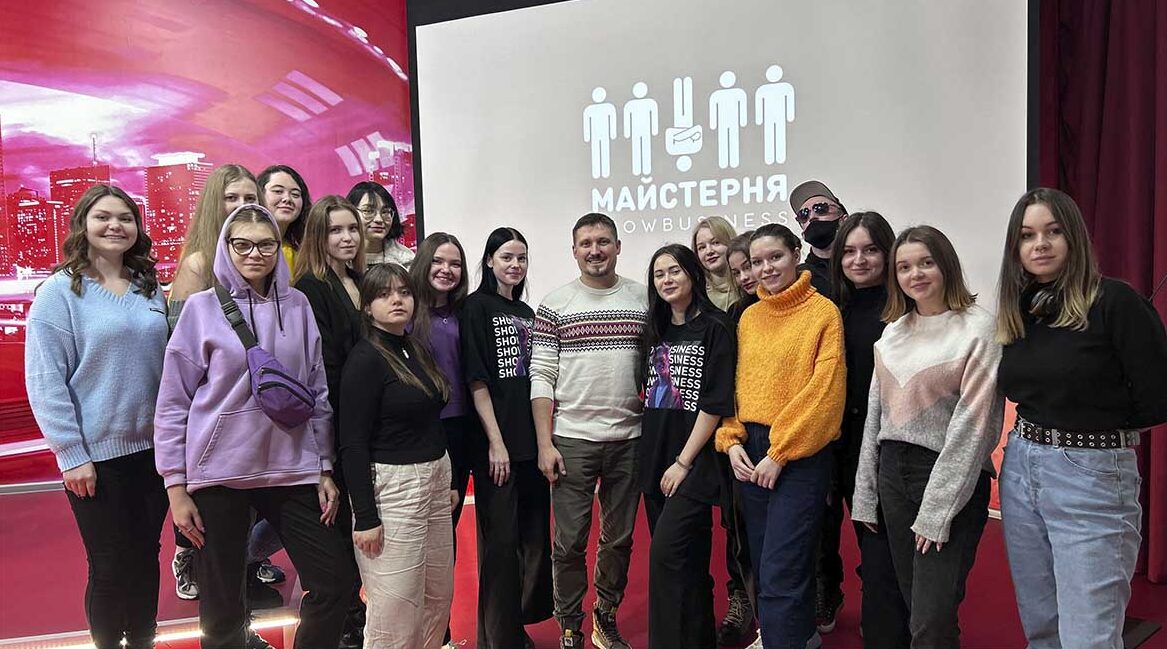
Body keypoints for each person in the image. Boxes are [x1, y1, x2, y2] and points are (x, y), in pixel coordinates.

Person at [154, 204, 355, 648]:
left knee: (334, 582)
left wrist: (324, 467)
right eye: (242, 244)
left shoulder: (298, 305)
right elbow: (172, 402)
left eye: (265, 245)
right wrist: (175, 486)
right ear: (226, 247)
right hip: (219, 474)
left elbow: (317, 390)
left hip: (292, 468)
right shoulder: (201, 309)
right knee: (222, 604)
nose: (254, 254)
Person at [995, 188, 1167, 649]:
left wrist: (1094, 425)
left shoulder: (1116, 301)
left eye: (1053, 231)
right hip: (1021, 467)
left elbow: (1157, 397)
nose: (1040, 244)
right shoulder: (1022, 310)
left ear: (1074, 236)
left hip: (1091, 475)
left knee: (1088, 636)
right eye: (1027, 235)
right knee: (1042, 628)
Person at [25, 185, 170, 649]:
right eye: (103, 217)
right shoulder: (59, 293)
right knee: (108, 565)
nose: (115, 226)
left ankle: (143, 641)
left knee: (145, 556)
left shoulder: (149, 287)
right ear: (82, 225)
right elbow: (45, 380)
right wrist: (71, 454)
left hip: (154, 452)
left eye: (125, 218)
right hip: (95, 457)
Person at [851, 225, 1004, 649]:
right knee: (912, 603)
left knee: (931, 620)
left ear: (946, 265)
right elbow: (876, 419)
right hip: (892, 476)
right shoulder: (893, 332)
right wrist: (865, 493)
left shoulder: (979, 328)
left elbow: (975, 427)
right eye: (904, 267)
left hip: (947, 475)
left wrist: (938, 510)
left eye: (926, 263)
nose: (915, 274)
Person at [716, 223, 845, 649]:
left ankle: (779, 640)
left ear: (796, 255)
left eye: (776, 257)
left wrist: (781, 452)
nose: (766, 268)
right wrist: (731, 439)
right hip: (751, 449)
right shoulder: (749, 317)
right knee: (765, 559)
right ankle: (798, 636)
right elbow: (736, 384)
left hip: (798, 453)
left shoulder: (823, 312)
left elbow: (825, 393)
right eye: (757, 262)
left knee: (781, 567)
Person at [531, 213, 648, 649]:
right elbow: (541, 375)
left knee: (619, 540)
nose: (595, 250)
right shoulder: (555, 304)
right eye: (586, 243)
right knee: (569, 544)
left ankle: (606, 616)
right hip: (572, 439)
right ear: (574, 250)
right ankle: (569, 626)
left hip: (629, 439)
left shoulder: (643, 299)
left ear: (618, 246)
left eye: (603, 242)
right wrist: (544, 443)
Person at [339, 263, 456, 649]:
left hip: (435, 478)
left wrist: (448, 482)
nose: (397, 300)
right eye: (384, 294)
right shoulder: (364, 359)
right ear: (367, 306)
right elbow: (352, 443)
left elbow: (431, 417)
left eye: (404, 292)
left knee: (437, 597)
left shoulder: (414, 348)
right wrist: (365, 516)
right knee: (395, 610)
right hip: (393, 488)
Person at [639, 245, 736, 649]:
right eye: (659, 274)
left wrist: (683, 462)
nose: (667, 280)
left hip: (693, 463)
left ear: (694, 274)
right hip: (655, 458)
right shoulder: (655, 329)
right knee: (690, 564)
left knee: (665, 557)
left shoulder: (715, 327)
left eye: (675, 270)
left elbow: (715, 403)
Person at [461, 227, 553, 649]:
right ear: (489, 261)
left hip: (531, 442)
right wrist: (495, 442)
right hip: (496, 446)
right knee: (499, 547)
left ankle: (509, 629)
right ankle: (500, 639)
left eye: (521, 258)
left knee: (532, 543)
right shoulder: (476, 307)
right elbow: (476, 379)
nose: (515, 265)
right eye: (506, 257)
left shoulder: (529, 312)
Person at [826, 212, 911, 647]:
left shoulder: (905, 311)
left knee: (886, 555)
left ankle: (893, 631)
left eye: (871, 250)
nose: (859, 260)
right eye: (850, 251)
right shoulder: (834, 310)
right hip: (843, 448)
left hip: (889, 449)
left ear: (888, 252)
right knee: (867, 545)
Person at [290, 194, 367, 648]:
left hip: (366, 421)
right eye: (336, 230)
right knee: (335, 525)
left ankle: (355, 614)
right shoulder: (310, 288)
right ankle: (345, 620)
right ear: (319, 236)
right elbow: (322, 366)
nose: (347, 237)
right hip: (334, 421)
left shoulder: (360, 279)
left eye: (352, 229)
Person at [408, 232, 475, 649]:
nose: (446, 270)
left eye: (455, 264)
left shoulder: (465, 313)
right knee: (415, 534)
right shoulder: (407, 311)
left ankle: (440, 634)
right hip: (418, 432)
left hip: (459, 431)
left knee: (444, 534)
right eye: (438, 261)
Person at [788, 179, 848, 632]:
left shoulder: (867, 264)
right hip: (820, 414)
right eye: (804, 215)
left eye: (821, 208)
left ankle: (886, 597)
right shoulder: (801, 281)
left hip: (869, 410)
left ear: (841, 210)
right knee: (821, 515)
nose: (814, 219)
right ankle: (828, 588)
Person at [789, 180, 846, 295]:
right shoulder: (798, 279)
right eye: (803, 214)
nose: (812, 217)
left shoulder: (864, 264)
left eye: (821, 208)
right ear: (802, 231)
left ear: (844, 219)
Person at [347, 181, 414, 267]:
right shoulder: (339, 260)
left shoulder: (406, 261)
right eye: (368, 211)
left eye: (385, 212)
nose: (379, 219)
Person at [258, 164, 312, 271]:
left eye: (295, 194)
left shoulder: (300, 254)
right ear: (259, 195)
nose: (287, 199)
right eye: (278, 191)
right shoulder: (245, 248)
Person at [691, 215, 739, 311]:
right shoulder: (695, 296)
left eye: (716, 243)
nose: (709, 251)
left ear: (731, 243)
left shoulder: (748, 286)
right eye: (702, 247)